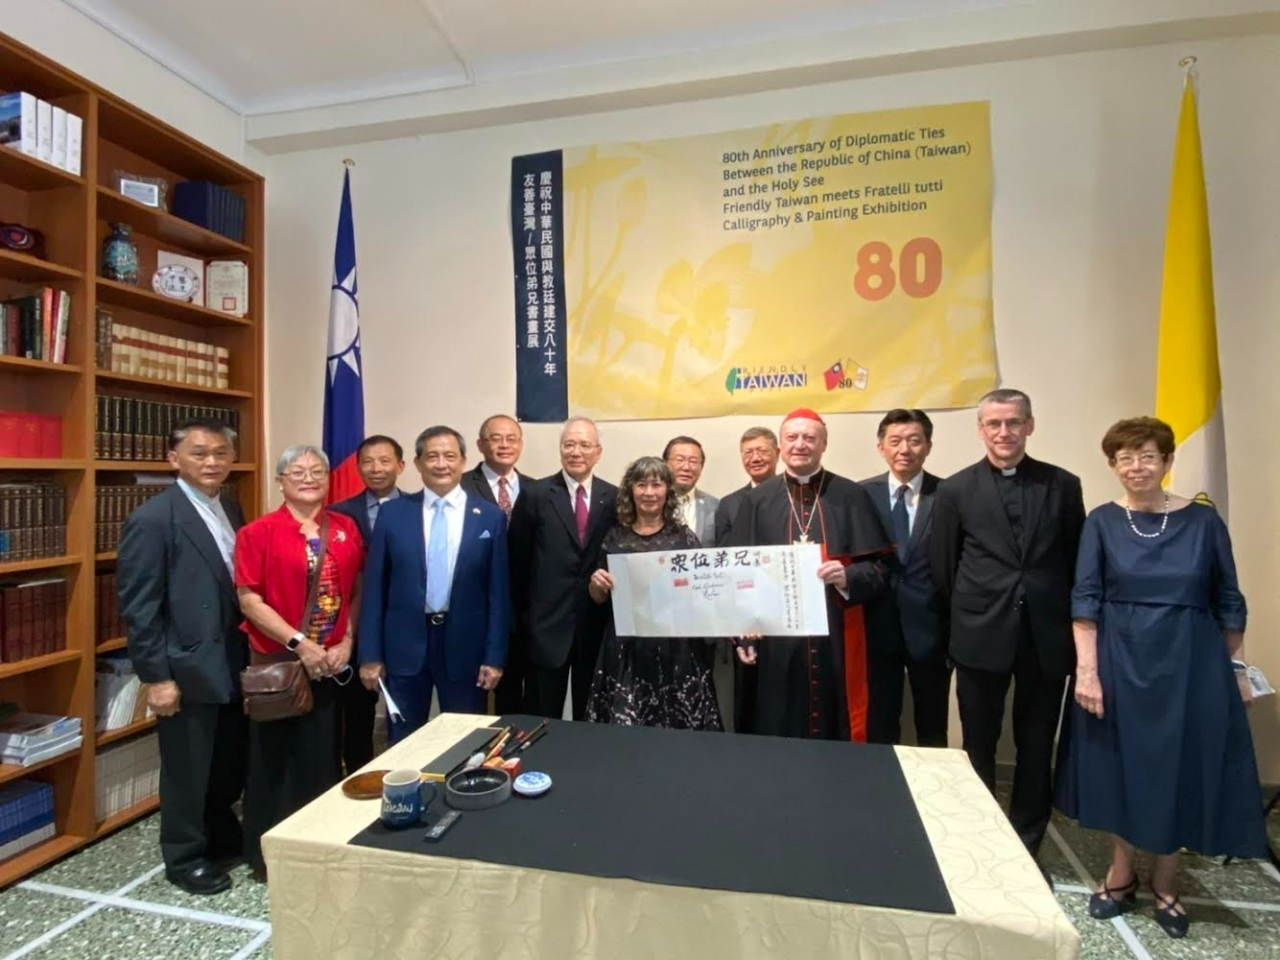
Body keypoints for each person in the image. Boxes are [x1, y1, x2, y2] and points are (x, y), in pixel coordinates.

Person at [1055, 417, 1267, 938]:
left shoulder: (1203, 521)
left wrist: (1235, 671)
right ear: (1112, 465)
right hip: (1120, 661)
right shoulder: (1101, 521)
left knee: (1180, 767)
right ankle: (1121, 871)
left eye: (1148, 455)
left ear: (1167, 461)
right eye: (1125, 458)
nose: (1137, 466)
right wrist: (1087, 672)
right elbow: (1085, 600)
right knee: (1120, 767)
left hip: (1191, 665)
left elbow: (1229, 600)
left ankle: (1167, 877)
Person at [930, 388, 1084, 859]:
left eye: (1013, 422)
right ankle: (980, 837)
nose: (1004, 432)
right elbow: (944, 568)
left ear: (1029, 425)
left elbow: (1075, 560)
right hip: (981, 634)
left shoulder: (1063, 485)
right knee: (978, 742)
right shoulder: (955, 490)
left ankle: (1026, 844)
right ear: (980, 429)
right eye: (994, 423)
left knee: (1036, 746)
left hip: (1046, 636)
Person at [117, 419, 248, 895]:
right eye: (199, 453)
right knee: (187, 768)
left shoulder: (230, 507)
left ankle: (218, 832)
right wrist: (156, 677)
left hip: (231, 658)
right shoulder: (152, 519)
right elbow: (140, 607)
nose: (212, 462)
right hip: (185, 665)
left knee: (227, 759)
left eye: (220, 453)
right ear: (174, 459)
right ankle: (184, 856)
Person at [235, 445, 365, 880]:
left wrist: (347, 641)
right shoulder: (258, 532)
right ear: (280, 481)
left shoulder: (344, 527)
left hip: (331, 664)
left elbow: (356, 588)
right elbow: (250, 600)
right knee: (275, 760)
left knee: (322, 758)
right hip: (282, 666)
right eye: (297, 472)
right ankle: (269, 859)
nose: (309, 478)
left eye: (317, 471)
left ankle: (317, 851)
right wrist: (300, 644)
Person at [727, 409, 890, 740]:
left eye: (809, 437)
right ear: (781, 445)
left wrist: (848, 577)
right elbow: (737, 573)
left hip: (835, 638)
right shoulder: (757, 501)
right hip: (775, 641)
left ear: (824, 444)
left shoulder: (851, 495)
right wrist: (742, 633)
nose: (800, 444)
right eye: (792, 437)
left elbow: (879, 569)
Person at [358, 426, 508, 739]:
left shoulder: (489, 517)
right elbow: (374, 589)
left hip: (466, 647)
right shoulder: (393, 514)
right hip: (404, 645)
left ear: (463, 461)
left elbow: (498, 594)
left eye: (450, 456)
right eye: (432, 456)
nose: (441, 464)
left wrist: (494, 657)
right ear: (417, 463)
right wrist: (370, 654)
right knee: (403, 740)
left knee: (466, 740)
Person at [584, 457, 721, 730]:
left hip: (676, 647)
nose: (649, 492)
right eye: (641, 484)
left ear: (668, 491)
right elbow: (599, 597)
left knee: (679, 727)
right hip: (626, 647)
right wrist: (596, 585)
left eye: (657, 485)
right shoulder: (615, 537)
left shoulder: (683, 538)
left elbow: (702, 593)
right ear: (630, 490)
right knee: (626, 730)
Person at [509, 416, 617, 719]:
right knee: (541, 717)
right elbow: (517, 564)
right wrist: (524, 623)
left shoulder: (614, 497)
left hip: (594, 627)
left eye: (584, 445)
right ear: (560, 450)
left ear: (598, 452)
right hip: (544, 628)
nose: (576, 452)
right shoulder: (535, 494)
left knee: (591, 718)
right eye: (569, 444)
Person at [860, 409, 950, 747]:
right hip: (876, 627)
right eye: (895, 441)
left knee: (932, 724)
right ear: (880, 447)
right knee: (879, 722)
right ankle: (881, 780)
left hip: (932, 629)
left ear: (928, 446)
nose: (904, 449)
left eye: (914, 441)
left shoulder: (948, 494)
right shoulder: (861, 495)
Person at [328, 434, 408, 775]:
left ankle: (404, 774)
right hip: (357, 624)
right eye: (367, 462)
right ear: (358, 467)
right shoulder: (337, 513)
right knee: (357, 712)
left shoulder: (418, 508)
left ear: (401, 466)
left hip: (406, 626)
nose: (376, 468)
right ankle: (358, 775)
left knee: (405, 711)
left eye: (384, 461)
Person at [460, 414, 528, 713]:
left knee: (513, 698)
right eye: (495, 438)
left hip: (521, 613)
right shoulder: (460, 487)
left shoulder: (536, 489)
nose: (504, 445)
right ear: (480, 444)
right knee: (468, 699)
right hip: (474, 606)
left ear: (520, 444)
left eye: (511, 439)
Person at [714, 427, 780, 544]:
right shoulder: (728, 504)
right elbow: (724, 550)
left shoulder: (793, 495)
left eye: (762, 451)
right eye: (748, 453)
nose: (755, 458)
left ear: (777, 453)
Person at [663, 436, 719, 546]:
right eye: (679, 460)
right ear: (665, 464)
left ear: (701, 467)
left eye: (693, 461)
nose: (686, 467)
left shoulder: (716, 506)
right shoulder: (652, 503)